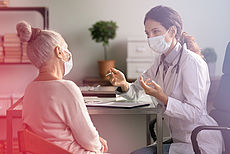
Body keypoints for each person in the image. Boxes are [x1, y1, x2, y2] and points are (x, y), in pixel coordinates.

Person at [108, 5, 223, 154]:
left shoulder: (192, 63)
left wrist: (163, 97)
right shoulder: (160, 62)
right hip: (180, 139)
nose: (150, 38)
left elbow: (194, 113)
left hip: (199, 141)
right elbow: (136, 92)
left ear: (173, 31)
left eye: (155, 31)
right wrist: (124, 84)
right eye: (147, 33)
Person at [17, 21, 108, 154]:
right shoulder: (66, 88)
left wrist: (94, 140)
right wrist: (98, 143)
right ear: (59, 51)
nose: (68, 53)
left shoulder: (30, 89)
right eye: (66, 48)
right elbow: (90, 141)